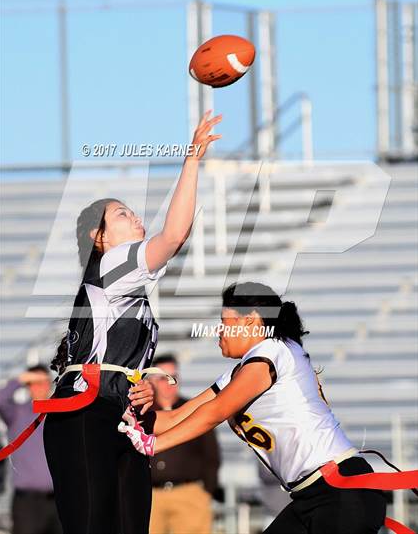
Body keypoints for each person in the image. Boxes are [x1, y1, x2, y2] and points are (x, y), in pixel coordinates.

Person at [43, 110, 222, 534]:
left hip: (121, 418)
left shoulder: (127, 284)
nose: (136, 217)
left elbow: (113, 360)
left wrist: (137, 385)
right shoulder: (110, 263)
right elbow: (174, 236)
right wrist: (192, 160)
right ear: (98, 237)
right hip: (85, 415)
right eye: (122, 214)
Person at [125, 282, 387, 534]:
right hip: (313, 496)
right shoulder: (243, 369)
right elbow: (177, 416)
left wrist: (154, 445)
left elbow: (216, 412)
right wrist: (130, 417)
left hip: (340, 490)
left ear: (249, 321)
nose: (219, 331)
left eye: (225, 323)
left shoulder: (273, 351)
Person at [149, 354, 220, 534]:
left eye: (174, 377)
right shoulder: (143, 413)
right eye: (163, 378)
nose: (170, 383)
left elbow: (211, 454)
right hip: (150, 496)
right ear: (152, 382)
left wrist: (205, 492)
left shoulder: (194, 410)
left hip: (189, 494)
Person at [0, 365, 62, 534]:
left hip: (58, 501)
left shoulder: (59, 414)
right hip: (27, 504)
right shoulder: (17, 412)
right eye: (35, 382)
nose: (41, 386)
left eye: (44, 382)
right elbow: (0, 398)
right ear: (28, 385)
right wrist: (21, 379)